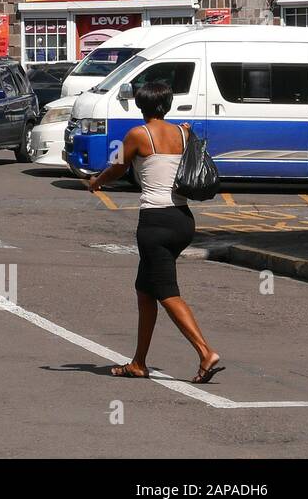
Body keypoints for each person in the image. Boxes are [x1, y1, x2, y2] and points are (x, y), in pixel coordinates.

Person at [88, 81, 223, 384]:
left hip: (155, 223)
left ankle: (205, 352)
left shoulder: (138, 134)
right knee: (145, 290)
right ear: (168, 104)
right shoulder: (184, 132)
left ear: (140, 105)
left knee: (166, 292)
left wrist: (97, 182)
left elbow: (118, 167)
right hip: (183, 220)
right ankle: (139, 362)